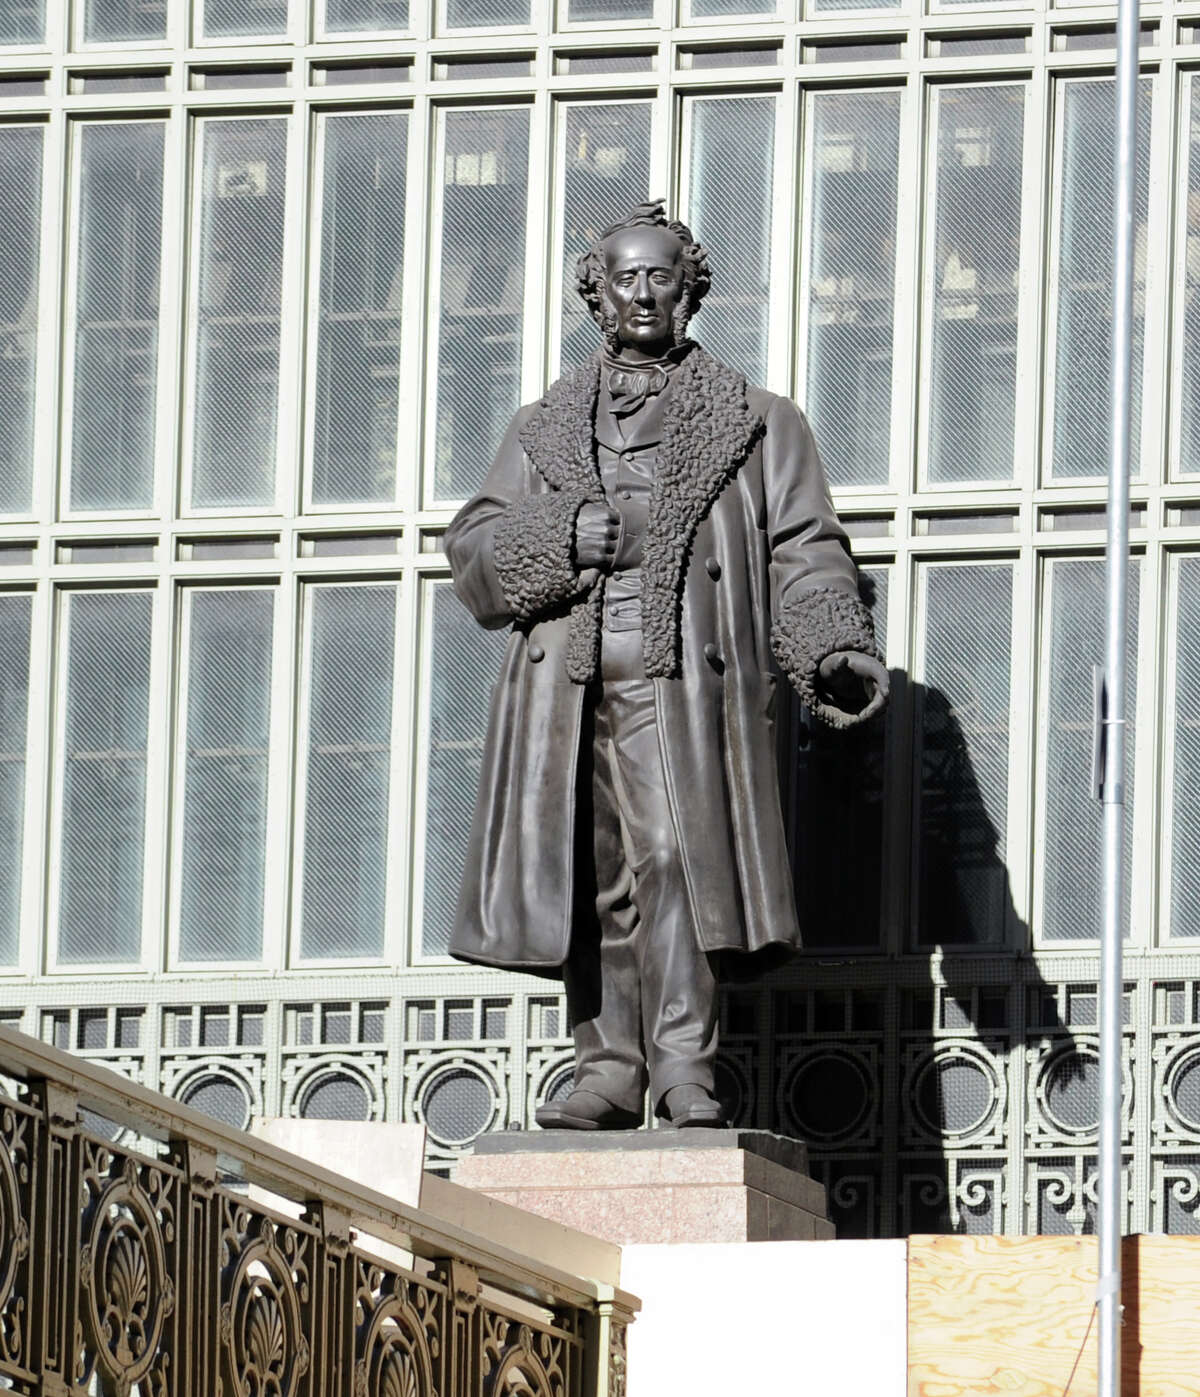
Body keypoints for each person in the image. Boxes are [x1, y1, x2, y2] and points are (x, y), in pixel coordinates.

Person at [445, 200, 888, 1129]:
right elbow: (475, 555)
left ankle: (683, 1062)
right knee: (597, 870)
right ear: (596, 295)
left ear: (691, 288)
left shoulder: (761, 422)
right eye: (626, 277)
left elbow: (807, 548)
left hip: (685, 684)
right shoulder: (544, 426)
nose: (643, 292)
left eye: (661, 275)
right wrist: (564, 533)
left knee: (672, 858)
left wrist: (831, 642)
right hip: (567, 690)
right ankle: (608, 1064)